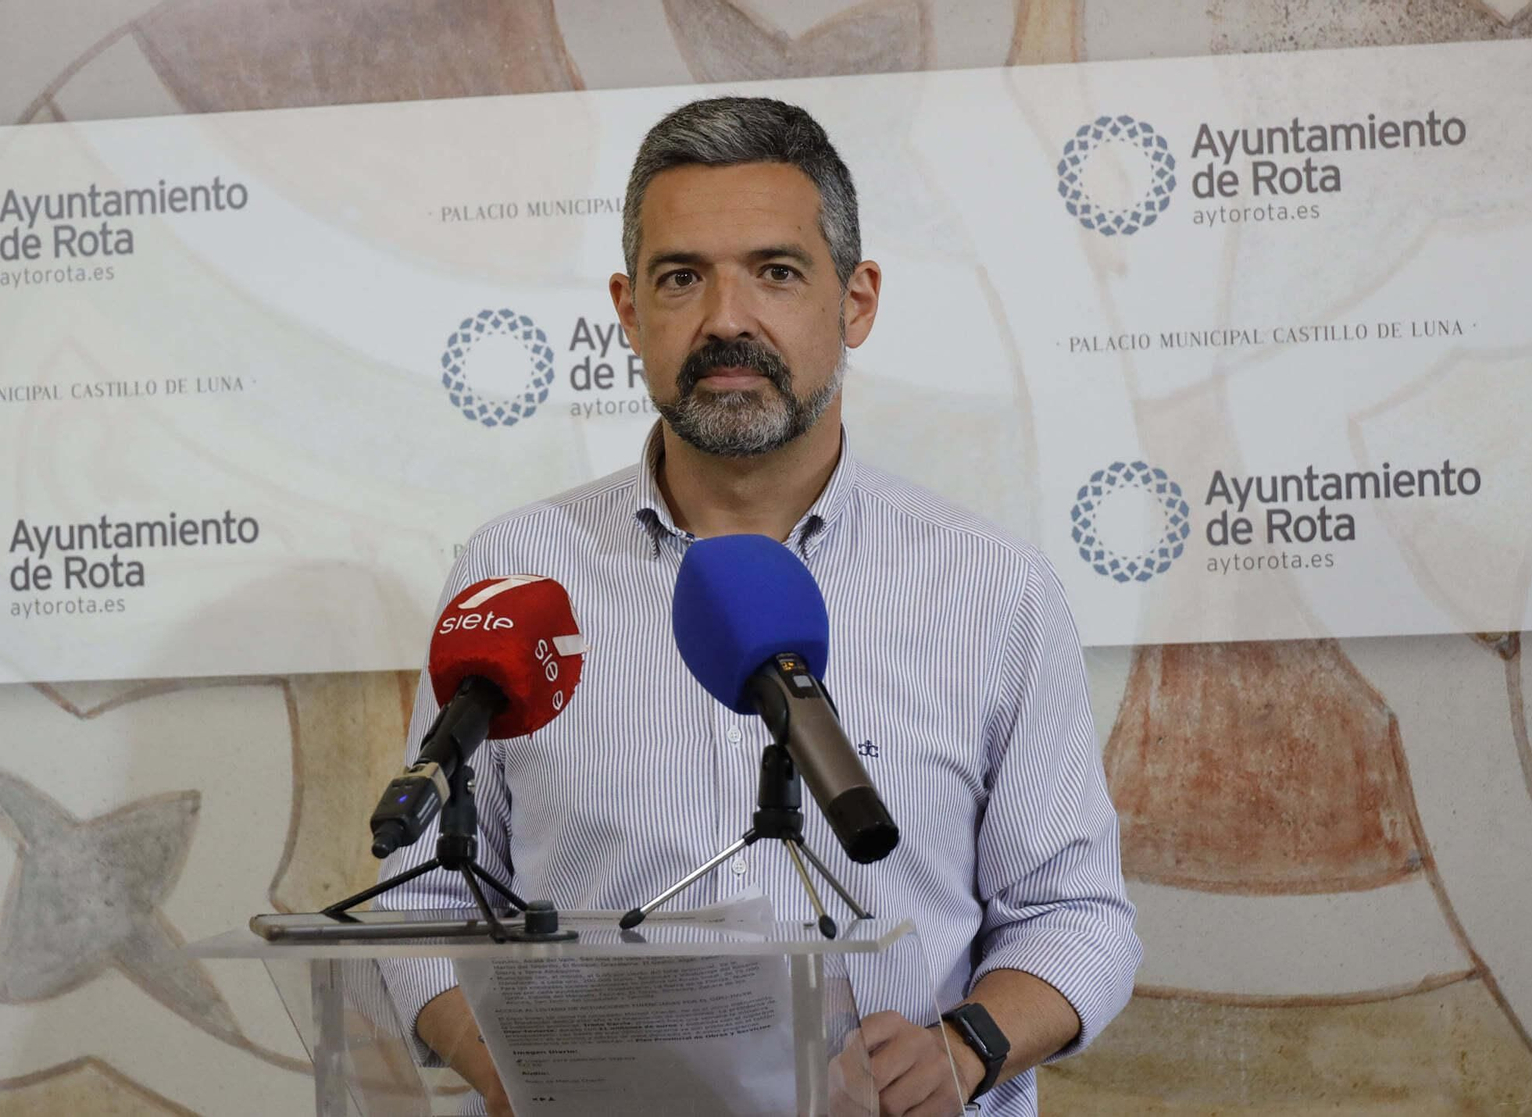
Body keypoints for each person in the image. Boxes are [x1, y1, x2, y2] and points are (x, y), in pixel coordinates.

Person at [379, 96, 1140, 1117]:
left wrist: (962, 1049)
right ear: (628, 309)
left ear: (856, 300)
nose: (726, 318)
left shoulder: (990, 586)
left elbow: (1076, 914)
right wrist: (510, 1069)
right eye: (681, 277)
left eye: (775, 272)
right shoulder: (517, 571)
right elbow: (425, 897)